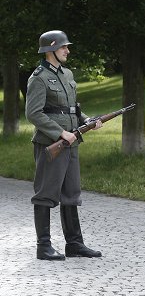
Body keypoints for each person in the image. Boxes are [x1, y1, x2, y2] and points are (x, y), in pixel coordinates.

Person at [25, 30, 103, 260]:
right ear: (50, 50)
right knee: (46, 194)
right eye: (63, 47)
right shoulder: (38, 78)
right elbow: (33, 113)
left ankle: (75, 244)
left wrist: (87, 121)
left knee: (71, 192)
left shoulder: (67, 74)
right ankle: (44, 246)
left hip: (71, 143)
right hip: (51, 144)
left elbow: (72, 108)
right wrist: (60, 133)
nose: (67, 51)